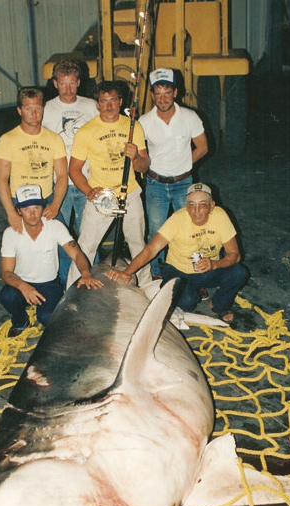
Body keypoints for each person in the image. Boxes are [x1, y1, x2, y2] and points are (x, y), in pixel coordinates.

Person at [107, 183, 248, 324]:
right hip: (178, 271)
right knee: (187, 302)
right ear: (186, 206)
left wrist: (214, 264)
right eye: (191, 205)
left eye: (202, 204)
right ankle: (177, 289)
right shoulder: (177, 219)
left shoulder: (220, 216)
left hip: (208, 269)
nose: (196, 210)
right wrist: (127, 272)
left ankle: (219, 305)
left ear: (212, 206)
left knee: (239, 273)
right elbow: (151, 249)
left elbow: (234, 254)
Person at [66, 80, 151, 287]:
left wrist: (135, 158)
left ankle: (148, 289)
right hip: (102, 197)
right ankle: (71, 291)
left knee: (138, 244)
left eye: (113, 100)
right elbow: (74, 170)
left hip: (129, 193)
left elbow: (144, 166)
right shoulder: (86, 131)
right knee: (85, 246)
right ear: (97, 104)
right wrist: (89, 191)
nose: (109, 106)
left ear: (121, 101)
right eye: (104, 101)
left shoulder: (134, 126)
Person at [0, 184, 103, 336]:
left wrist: (86, 273)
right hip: (22, 281)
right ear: (19, 211)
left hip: (49, 283)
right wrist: (23, 286)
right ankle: (20, 321)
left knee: (47, 318)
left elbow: (76, 254)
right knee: (7, 296)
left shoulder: (55, 226)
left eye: (36, 208)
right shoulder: (10, 233)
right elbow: (6, 272)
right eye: (27, 210)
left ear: (43, 207)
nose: (33, 214)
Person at [139, 68, 208, 278]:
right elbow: (142, 160)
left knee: (191, 230)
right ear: (152, 95)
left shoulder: (190, 117)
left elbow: (203, 147)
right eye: (158, 93)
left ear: (175, 92)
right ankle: (157, 274)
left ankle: (195, 274)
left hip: (184, 184)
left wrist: (183, 166)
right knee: (157, 231)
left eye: (167, 92)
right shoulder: (143, 122)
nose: (163, 99)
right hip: (155, 185)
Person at [0, 87, 68, 234]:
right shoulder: (7, 140)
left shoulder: (54, 139)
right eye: (28, 109)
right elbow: (2, 179)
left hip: (47, 199)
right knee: (24, 248)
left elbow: (62, 175)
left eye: (38, 108)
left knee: (64, 247)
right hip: (20, 202)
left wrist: (55, 205)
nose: (35, 114)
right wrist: (11, 213)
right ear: (20, 111)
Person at [42, 59, 98, 236]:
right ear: (55, 83)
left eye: (72, 83)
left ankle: (91, 264)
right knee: (59, 233)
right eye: (63, 84)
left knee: (89, 233)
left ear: (79, 83)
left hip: (88, 181)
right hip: (58, 183)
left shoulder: (91, 106)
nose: (68, 89)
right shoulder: (46, 109)